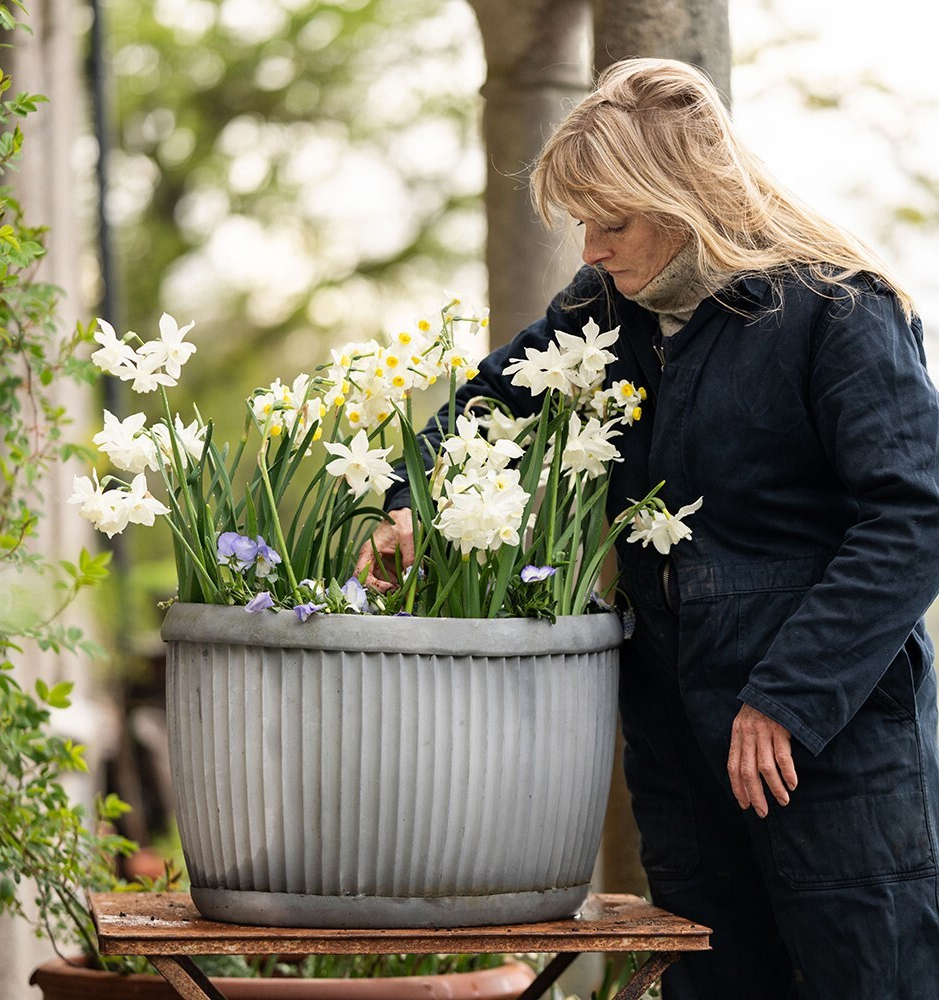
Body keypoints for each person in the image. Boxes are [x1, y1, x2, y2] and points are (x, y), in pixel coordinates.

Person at [354, 57, 939, 999]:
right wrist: (404, 506)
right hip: (677, 745)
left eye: (611, 221)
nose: (589, 248)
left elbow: (915, 519)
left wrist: (787, 697)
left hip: (833, 749)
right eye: (583, 222)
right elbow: (484, 406)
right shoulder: (603, 313)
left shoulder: (837, 307)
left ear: (687, 198)